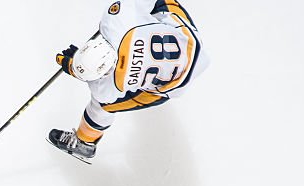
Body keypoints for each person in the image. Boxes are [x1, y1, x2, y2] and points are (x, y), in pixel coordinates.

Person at [47, 0, 208, 163]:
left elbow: (96, 84)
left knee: (104, 106)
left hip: (177, 83)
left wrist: (73, 67)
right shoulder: (115, 21)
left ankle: (84, 141)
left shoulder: (107, 88)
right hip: (190, 43)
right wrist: (75, 64)